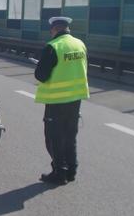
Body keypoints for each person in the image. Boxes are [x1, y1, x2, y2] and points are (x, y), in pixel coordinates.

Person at [34, 16, 89, 185]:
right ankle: (71, 171)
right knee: (70, 136)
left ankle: (59, 173)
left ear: (54, 29)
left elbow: (41, 75)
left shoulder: (53, 46)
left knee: (54, 138)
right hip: (75, 99)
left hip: (57, 101)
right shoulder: (80, 44)